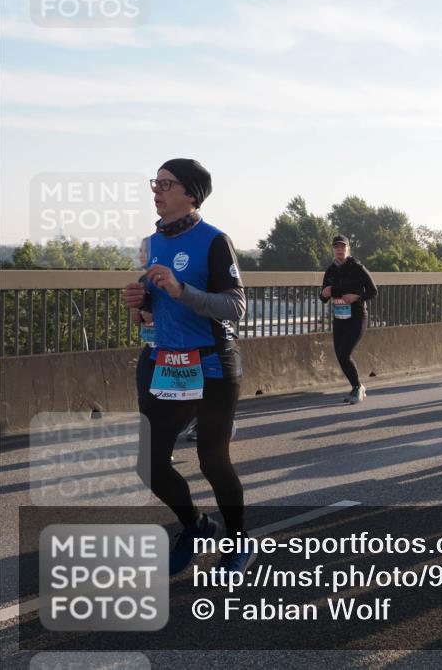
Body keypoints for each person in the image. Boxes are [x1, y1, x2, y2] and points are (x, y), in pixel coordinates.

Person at [123, 159, 251, 574]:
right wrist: (139, 306)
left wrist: (182, 290)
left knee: (213, 460)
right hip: (164, 361)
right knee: (150, 463)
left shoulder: (214, 241)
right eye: (154, 182)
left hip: (211, 363)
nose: (156, 190)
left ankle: (237, 541)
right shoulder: (150, 243)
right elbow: (151, 312)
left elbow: (235, 305)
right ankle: (196, 526)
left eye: (166, 183)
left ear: (191, 194)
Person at [319, 235, 378, 404]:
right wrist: (323, 294)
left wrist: (356, 297)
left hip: (357, 317)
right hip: (339, 318)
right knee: (340, 355)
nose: (339, 249)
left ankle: (358, 387)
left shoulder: (357, 268)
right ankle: (356, 386)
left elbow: (373, 291)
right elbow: (323, 296)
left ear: (348, 249)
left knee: (345, 352)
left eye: (342, 247)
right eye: (336, 247)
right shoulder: (330, 270)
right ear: (333, 250)